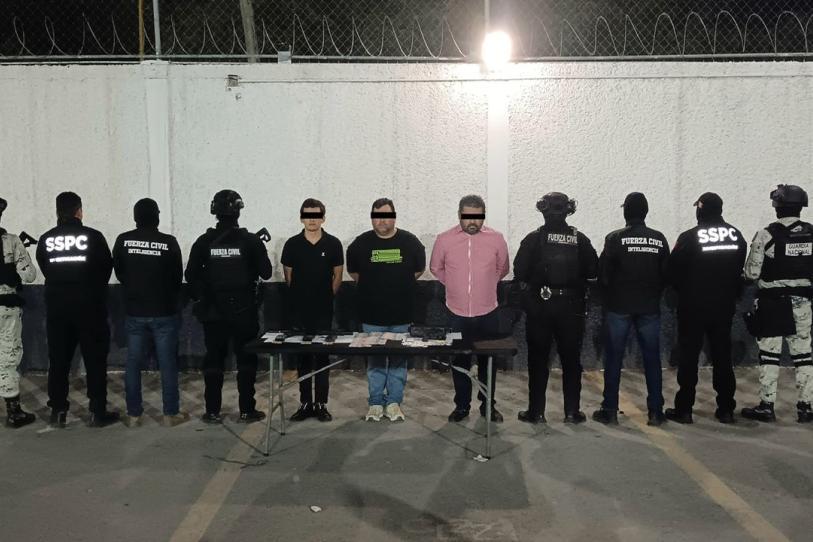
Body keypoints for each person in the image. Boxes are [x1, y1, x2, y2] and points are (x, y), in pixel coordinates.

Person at [185, 190, 272, 424]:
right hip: (244, 311)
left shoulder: (204, 242)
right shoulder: (250, 241)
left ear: (214, 211)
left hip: (213, 312)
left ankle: (212, 411)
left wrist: (204, 296)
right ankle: (247, 410)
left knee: (214, 361)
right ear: (238, 211)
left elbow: (190, 275)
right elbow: (266, 272)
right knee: (246, 362)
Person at [513, 192, 598, 424]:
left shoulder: (534, 238)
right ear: (568, 210)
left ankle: (536, 412)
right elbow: (593, 271)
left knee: (538, 360)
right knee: (571, 361)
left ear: (543, 210)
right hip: (571, 308)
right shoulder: (580, 239)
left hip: (540, 307)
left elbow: (519, 272)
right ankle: (572, 412)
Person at [36, 192, 119, 428]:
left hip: (57, 309)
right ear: (79, 211)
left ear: (57, 211)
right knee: (95, 360)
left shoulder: (46, 239)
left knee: (58, 361)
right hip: (90, 308)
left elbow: (45, 267)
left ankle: (58, 411)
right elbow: (106, 268)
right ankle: (97, 412)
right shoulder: (93, 237)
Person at [664, 192, 747, 424]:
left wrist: (683, 289)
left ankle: (684, 409)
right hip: (723, 306)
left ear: (700, 210)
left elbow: (671, 271)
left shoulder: (690, 237)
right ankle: (726, 409)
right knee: (722, 356)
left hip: (693, 306)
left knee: (689, 357)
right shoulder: (736, 235)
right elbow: (739, 268)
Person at [430, 194, 509, 423]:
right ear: (459, 215)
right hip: (456, 313)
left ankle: (488, 406)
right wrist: (455, 285)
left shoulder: (496, 239)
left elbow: (502, 268)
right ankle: (462, 406)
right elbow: (436, 268)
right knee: (460, 361)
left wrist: (486, 284)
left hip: (488, 312)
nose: (472, 222)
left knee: (488, 362)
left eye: (477, 217)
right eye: (467, 217)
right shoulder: (444, 239)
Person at [593, 192, 670, 426]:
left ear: (626, 212)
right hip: (649, 307)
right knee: (652, 359)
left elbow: (603, 275)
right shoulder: (659, 238)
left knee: (614, 358)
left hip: (619, 307)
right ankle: (656, 412)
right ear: (645, 212)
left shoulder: (614, 238)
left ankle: (610, 410)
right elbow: (666, 274)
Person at [346, 198, 425, 422]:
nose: (382, 220)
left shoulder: (410, 242)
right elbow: (354, 273)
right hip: (371, 316)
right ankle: (375, 403)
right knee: (375, 362)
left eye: (386, 216)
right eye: (377, 216)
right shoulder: (360, 244)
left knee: (399, 361)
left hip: (401, 315)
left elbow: (418, 270)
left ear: (394, 217)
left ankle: (393, 403)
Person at [741, 185, 813, 423]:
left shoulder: (766, 234)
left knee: (769, 356)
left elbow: (752, 273)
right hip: (802, 302)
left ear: (777, 207)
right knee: (803, 356)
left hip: (772, 303)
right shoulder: (812, 233)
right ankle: (806, 407)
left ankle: (767, 405)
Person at [113, 198, 187, 427]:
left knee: (133, 363)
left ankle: (134, 415)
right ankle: (170, 414)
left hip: (135, 311)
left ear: (136, 217)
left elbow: (120, 272)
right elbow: (177, 277)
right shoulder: (168, 242)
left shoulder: (123, 240)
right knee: (167, 364)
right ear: (157, 216)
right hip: (163, 311)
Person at [281, 198, 344, 422]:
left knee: (322, 357)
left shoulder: (333, 244)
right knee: (304, 358)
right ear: (301, 218)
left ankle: (321, 404)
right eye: (308, 215)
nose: (312, 220)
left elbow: (338, 276)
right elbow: (289, 277)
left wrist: (325, 298)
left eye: (316, 215)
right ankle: (305, 403)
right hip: (299, 311)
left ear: (323, 218)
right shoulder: (292, 244)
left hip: (324, 310)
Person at [0, 197, 38, 427]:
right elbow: (30, 275)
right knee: (8, 357)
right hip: (6, 309)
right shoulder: (12, 242)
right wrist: (13, 272)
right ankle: (14, 412)